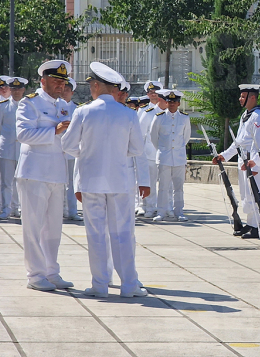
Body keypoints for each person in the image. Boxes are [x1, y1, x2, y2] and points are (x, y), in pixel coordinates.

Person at [62, 62, 149, 299]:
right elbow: (137, 149)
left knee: (96, 233)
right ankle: (129, 285)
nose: (90, 88)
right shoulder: (129, 114)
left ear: (98, 86)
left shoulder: (83, 111)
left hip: (91, 181)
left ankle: (100, 284)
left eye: (91, 84)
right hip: (120, 181)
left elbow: (67, 146)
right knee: (123, 233)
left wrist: (89, 153)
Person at [15, 60, 74, 291]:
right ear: (43, 80)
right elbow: (23, 134)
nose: (61, 85)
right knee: (33, 227)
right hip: (34, 172)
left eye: (63, 81)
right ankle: (35, 274)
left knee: (53, 228)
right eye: (56, 80)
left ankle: (52, 271)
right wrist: (54, 130)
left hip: (57, 172)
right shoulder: (30, 103)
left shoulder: (63, 105)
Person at [213, 84, 260, 240]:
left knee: (255, 193)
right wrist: (224, 155)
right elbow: (238, 142)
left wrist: (255, 162)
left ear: (252, 97)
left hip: (251, 160)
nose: (240, 99)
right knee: (246, 195)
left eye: (243, 96)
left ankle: (259, 225)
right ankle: (252, 224)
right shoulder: (247, 115)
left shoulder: (259, 116)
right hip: (243, 159)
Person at [149, 89, 191, 222]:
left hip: (179, 157)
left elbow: (186, 137)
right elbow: (153, 136)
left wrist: (176, 149)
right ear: (166, 103)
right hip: (164, 157)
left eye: (175, 102)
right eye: (170, 102)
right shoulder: (159, 117)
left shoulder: (184, 118)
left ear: (179, 104)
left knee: (178, 187)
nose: (172, 104)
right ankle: (161, 212)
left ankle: (179, 211)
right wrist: (162, 149)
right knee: (163, 186)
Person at [0, 76, 27, 220]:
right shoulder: (2, 105)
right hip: (6, 148)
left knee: (20, 182)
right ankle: (6, 209)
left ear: (23, 90)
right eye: (13, 89)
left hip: (23, 149)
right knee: (6, 182)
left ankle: (18, 208)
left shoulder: (28, 105)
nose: (16, 92)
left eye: (19, 89)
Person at [138, 81, 165, 217]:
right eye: (150, 92)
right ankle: (147, 206)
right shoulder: (144, 111)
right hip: (149, 153)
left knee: (166, 184)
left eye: (155, 91)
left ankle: (164, 207)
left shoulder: (167, 110)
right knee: (148, 182)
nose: (153, 94)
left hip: (165, 153)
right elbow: (139, 134)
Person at [61, 78, 81, 221]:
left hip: (72, 151)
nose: (64, 92)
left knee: (72, 183)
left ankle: (72, 211)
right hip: (57, 150)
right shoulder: (55, 106)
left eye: (67, 90)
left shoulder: (78, 109)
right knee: (58, 182)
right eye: (63, 89)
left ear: (72, 92)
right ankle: (60, 210)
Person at [0, 76, 10, 218]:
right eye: (0, 88)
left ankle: (11, 207)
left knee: (12, 181)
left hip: (9, 147)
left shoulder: (18, 104)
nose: (2, 90)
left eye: (5, 87)